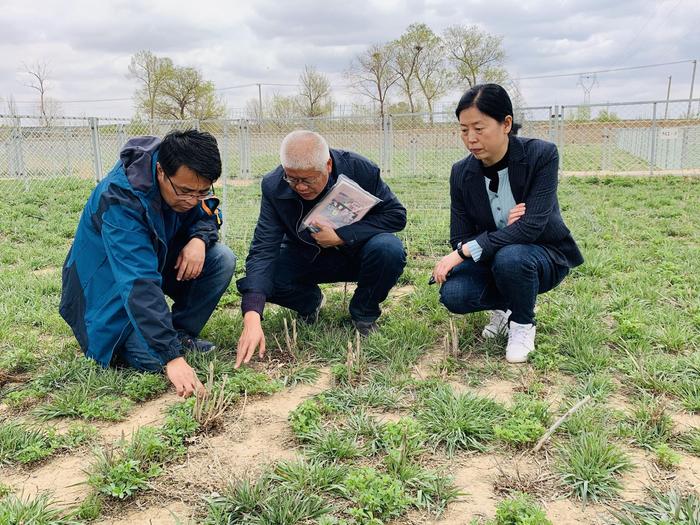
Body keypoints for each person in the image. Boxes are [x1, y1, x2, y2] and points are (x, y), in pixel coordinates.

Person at [59, 130, 236, 397]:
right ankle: (163, 343)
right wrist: (171, 358)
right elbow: (137, 281)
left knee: (221, 259)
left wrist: (199, 239)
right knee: (154, 359)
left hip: (153, 264)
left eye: (201, 191)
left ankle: (179, 332)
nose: (192, 200)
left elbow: (207, 211)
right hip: (106, 291)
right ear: (161, 171)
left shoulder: (187, 185)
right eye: (186, 191)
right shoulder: (120, 199)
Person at [433, 84, 583, 363]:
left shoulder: (541, 155)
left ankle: (523, 324)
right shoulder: (461, 172)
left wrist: (466, 251)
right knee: (454, 295)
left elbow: (532, 227)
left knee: (512, 257)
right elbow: (460, 235)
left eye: (479, 128)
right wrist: (498, 232)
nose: (470, 138)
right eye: (464, 130)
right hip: (492, 259)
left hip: (542, 256)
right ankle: (502, 309)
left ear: (506, 124)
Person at [235, 130, 407, 368]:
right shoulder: (273, 185)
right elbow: (264, 247)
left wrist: (342, 236)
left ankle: (364, 313)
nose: (300, 187)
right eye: (292, 179)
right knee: (261, 279)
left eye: (308, 179)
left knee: (389, 249)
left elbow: (396, 216)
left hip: (357, 254)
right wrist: (252, 315)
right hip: (306, 257)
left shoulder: (360, 169)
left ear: (327, 165)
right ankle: (310, 302)